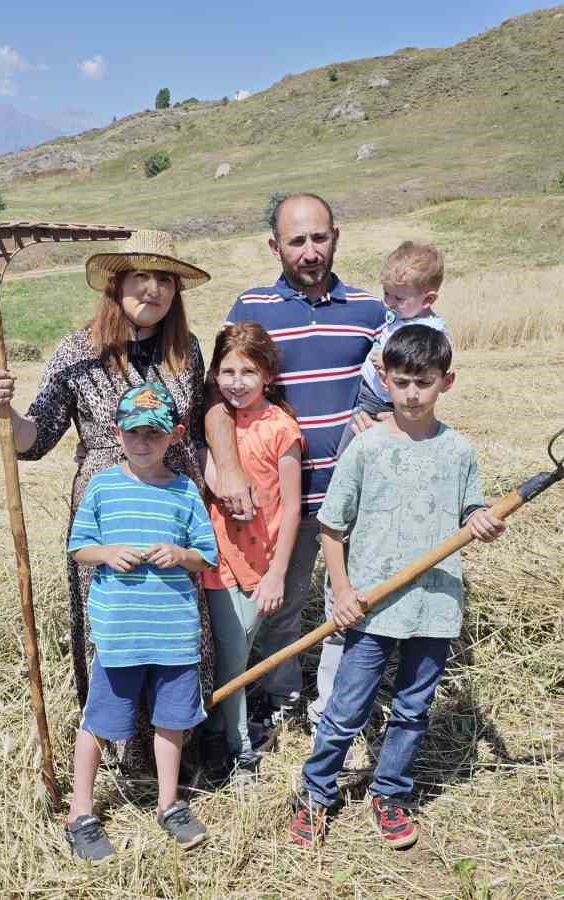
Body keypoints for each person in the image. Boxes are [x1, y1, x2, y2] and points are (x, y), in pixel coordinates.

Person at [0, 230, 214, 777]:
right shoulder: (76, 351)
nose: (152, 289)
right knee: (114, 623)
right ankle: (119, 751)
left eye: (164, 280)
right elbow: (34, 441)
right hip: (108, 507)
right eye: (140, 276)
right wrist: (3, 412)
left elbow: (200, 429)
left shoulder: (188, 352)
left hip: (174, 502)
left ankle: (181, 752)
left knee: (176, 622)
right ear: (117, 283)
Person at [287, 324, 507, 851]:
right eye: (402, 381)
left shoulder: (459, 450)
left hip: (433, 606)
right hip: (371, 605)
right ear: (384, 379)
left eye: (423, 382)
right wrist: (341, 593)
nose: (412, 394)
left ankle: (391, 795)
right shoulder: (367, 449)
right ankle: (316, 795)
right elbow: (331, 528)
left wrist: (482, 520)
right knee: (346, 710)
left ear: (445, 382)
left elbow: (469, 510)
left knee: (412, 709)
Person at [207, 193, 387, 740]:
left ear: (336, 236)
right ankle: (282, 698)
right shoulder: (250, 308)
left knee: (346, 608)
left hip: (353, 496)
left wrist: (380, 418)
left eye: (319, 238)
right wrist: (229, 467)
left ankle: (336, 712)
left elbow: (399, 384)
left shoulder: (370, 312)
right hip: (278, 501)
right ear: (275, 246)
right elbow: (214, 397)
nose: (310, 252)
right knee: (279, 608)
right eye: (296, 241)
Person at [63, 383, 219, 863]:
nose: (143, 442)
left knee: (172, 722)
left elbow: (205, 557)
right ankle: (81, 811)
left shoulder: (185, 490)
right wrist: (107, 553)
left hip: (173, 634)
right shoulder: (104, 486)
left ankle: (170, 804)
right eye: (134, 433)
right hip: (121, 636)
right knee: (102, 721)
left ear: (173, 435)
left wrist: (180, 554)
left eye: (154, 433)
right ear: (117, 433)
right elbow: (79, 546)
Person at [198, 323, 304, 785]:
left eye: (248, 371)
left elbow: (294, 505)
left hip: (261, 565)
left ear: (268, 375)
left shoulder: (281, 428)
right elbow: (213, 483)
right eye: (227, 371)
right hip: (218, 559)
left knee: (236, 655)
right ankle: (234, 743)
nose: (237, 381)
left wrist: (278, 572)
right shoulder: (213, 425)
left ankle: (232, 740)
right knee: (231, 655)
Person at [335, 240, 451, 459]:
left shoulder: (429, 331)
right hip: (368, 395)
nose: (389, 302)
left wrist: (387, 363)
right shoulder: (402, 317)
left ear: (428, 299)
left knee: (349, 457)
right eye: (386, 293)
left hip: (384, 404)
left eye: (398, 298)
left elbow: (418, 368)